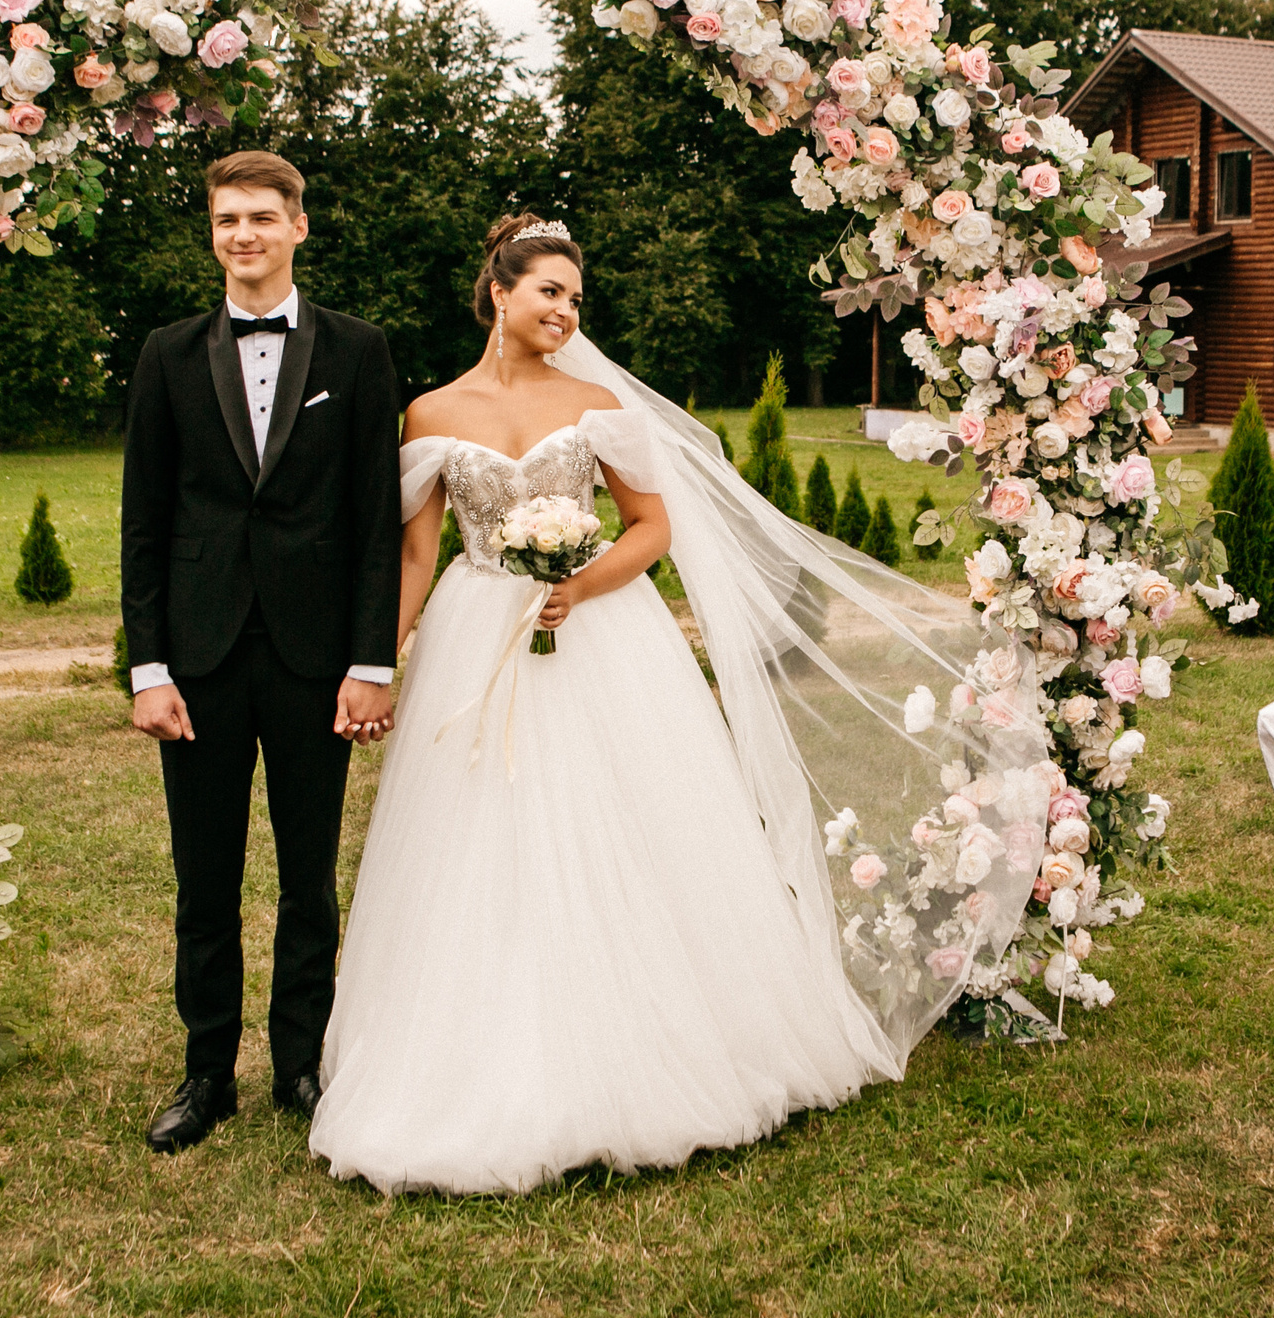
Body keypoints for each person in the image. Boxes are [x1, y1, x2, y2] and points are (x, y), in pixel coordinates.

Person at [308, 215, 1036, 1194]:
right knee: (473, 838)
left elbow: (651, 526)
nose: (564, 311)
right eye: (548, 292)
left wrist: (584, 581)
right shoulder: (432, 414)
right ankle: (479, 1055)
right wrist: (379, 660)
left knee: (630, 826)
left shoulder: (599, 403)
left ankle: (655, 1045)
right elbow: (413, 553)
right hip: (475, 633)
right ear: (498, 293)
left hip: (599, 633)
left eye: (575, 297)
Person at [119, 150, 402, 1155]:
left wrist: (373, 659)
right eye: (226, 219)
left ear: (298, 227)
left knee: (307, 877)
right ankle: (206, 1074)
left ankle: (300, 1065)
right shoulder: (165, 352)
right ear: (213, 231)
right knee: (204, 881)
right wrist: (146, 668)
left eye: (260, 218)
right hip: (195, 662)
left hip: (312, 657)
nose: (242, 234)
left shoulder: (358, 352)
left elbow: (376, 519)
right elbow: (143, 519)